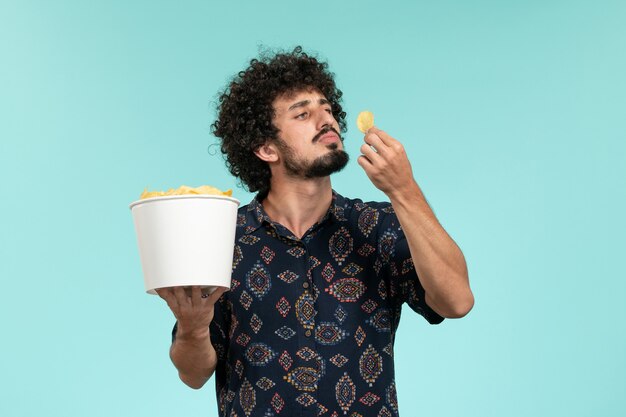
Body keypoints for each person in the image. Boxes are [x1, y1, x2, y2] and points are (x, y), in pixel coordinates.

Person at [156, 46, 474, 417]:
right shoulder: (223, 237)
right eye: (303, 114)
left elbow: (457, 301)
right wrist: (192, 327)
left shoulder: (377, 224)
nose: (327, 120)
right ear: (265, 148)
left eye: (327, 109)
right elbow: (193, 374)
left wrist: (403, 189)